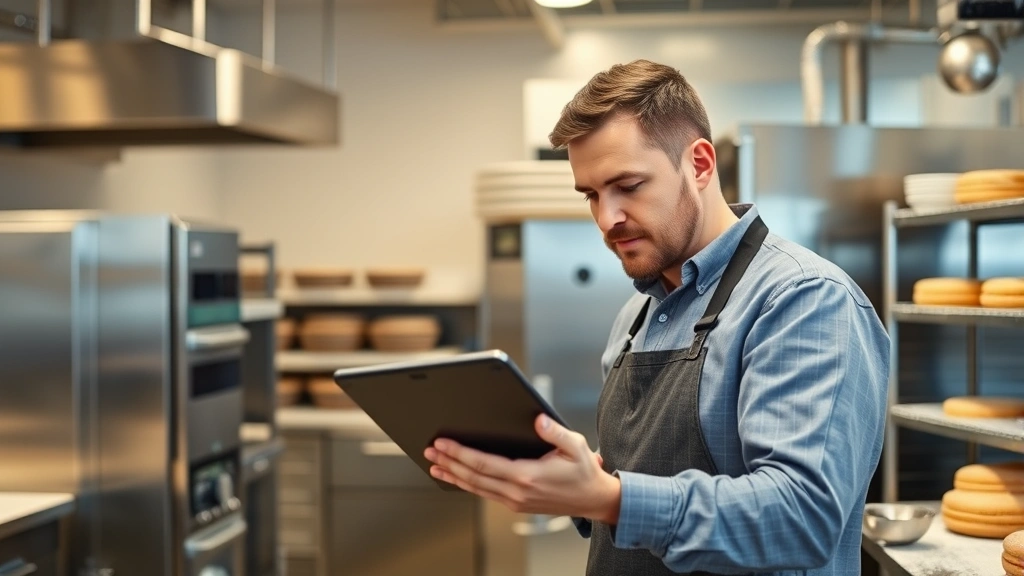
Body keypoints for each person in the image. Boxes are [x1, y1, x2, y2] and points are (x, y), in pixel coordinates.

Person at [424, 59, 890, 575]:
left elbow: (802, 517)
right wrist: (570, 485)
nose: (607, 219)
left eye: (628, 185)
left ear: (700, 164)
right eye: (592, 195)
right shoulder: (635, 315)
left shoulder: (803, 299)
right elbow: (626, 487)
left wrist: (611, 498)